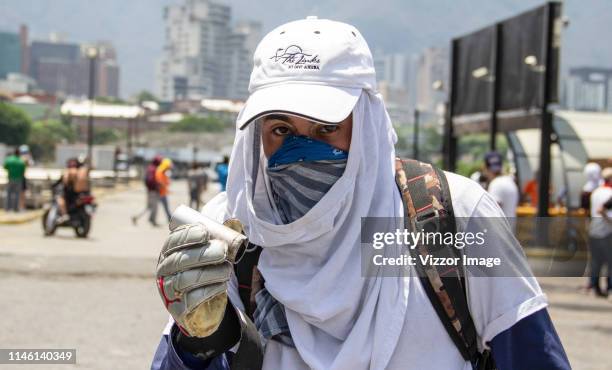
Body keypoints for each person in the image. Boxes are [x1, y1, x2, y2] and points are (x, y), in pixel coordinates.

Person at [151, 17, 570, 370]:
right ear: (256, 134)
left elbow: (533, 354)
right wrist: (195, 344)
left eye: (326, 129)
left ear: (366, 124)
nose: (302, 151)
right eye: (281, 130)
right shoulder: (231, 227)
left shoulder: (453, 215)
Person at [588, 167, 612, 298]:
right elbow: (602, 210)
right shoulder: (609, 193)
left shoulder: (596, 191)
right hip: (607, 231)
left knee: (596, 261)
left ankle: (594, 286)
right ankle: (609, 287)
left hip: (594, 229)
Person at [483, 151, 519, 218]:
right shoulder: (510, 181)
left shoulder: (496, 184)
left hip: (499, 228)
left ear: (485, 167)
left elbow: (491, 212)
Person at [132, 155, 162, 226]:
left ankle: (136, 217)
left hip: (150, 190)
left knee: (148, 207)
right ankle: (153, 220)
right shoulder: (153, 169)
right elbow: (151, 180)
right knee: (154, 207)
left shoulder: (150, 168)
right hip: (153, 191)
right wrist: (157, 185)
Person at [3, 148, 26, 212]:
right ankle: (16, 208)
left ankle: (7, 208)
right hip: (18, 179)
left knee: (9, 194)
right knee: (17, 194)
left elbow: (5, 167)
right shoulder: (21, 161)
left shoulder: (9, 160)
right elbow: (23, 171)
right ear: (19, 154)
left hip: (10, 178)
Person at [155, 158, 173, 223]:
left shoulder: (163, 172)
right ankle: (152, 219)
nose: (169, 168)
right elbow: (160, 182)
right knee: (152, 207)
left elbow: (166, 182)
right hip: (159, 193)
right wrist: (164, 186)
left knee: (165, 206)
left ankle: (169, 218)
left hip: (163, 193)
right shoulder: (160, 171)